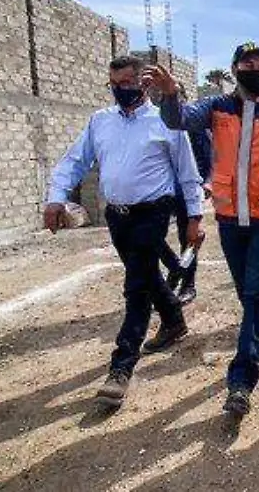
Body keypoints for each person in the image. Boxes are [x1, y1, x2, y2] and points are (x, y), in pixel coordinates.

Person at [149, 42, 259, 419]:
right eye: (249, 63)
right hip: (232, 219)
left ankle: (241, 379)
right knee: (246, 292)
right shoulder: (216, 107)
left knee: (254, 293)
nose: (257, 68)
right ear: (235, 69)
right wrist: (170, 95)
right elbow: (178, 120)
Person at [45, 56, 204, 409]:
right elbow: (75, 161)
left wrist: (194, 216)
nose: (122, 89)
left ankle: (121, 366)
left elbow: (187, 172)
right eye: (115, 83)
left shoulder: (166, 121)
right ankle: (174, 320)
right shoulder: (100, 122)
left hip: (154, 210)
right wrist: (56, 198)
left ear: (146, 83)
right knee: (146, 276)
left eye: (129, 81)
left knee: (135, 286)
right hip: (117, 216)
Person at [162, 126, 212, 306]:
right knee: (152, 237)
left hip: (187, 192)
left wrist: (208, 184)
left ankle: (188, 285)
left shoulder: (197, 132)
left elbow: (211, 160)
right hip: (160, 193)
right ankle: (176, 268)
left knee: (188, 238)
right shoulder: (157, 126)